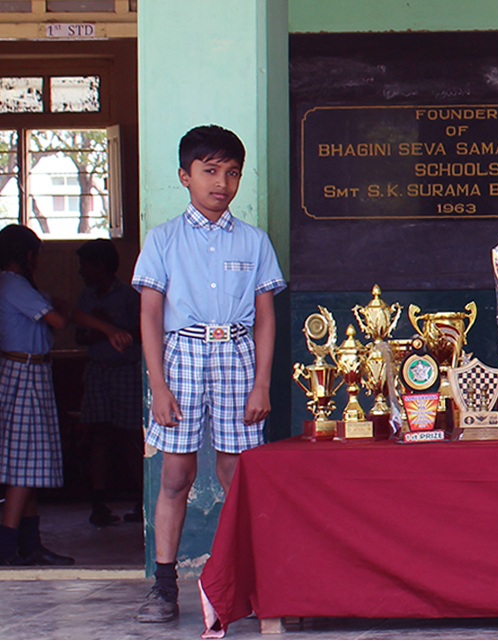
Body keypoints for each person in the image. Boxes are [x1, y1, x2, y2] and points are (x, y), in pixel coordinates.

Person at [133, 125, 285, 623]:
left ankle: (246, 580)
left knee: (236, 473)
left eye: (233, 172)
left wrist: (261, 381)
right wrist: (158, 385)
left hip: (237, 357)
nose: (222, 182)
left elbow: (265, 316)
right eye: (210, 171)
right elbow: (151, 315)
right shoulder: (163, 240)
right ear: (185, 176)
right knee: (175, 474)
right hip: (182, 356)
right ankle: (163, 585)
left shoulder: (254, 240)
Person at [0, 225, 131, 566]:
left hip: (31, 372)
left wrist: (106, 328)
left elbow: (67, 312)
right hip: (23, 373)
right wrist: (59, 304)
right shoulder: (13, 284)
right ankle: (7, 547)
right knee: (23, 469)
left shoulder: (20, 286)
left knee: (28, 469)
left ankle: (29, 545)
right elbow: (60, 319)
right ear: (28, 256)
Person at [75, 238, 144, 527]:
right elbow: (79, 337)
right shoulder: (86, 298)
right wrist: (103, 329)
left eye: (85, 265)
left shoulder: (128, 296)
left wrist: (111, 326)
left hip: (124, 371)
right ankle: (99, 502)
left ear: (100, 266)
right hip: (98, 370)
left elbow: (141, 333)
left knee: (130, 436)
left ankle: (142, 500)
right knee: (99, 435)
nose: (81, 271)